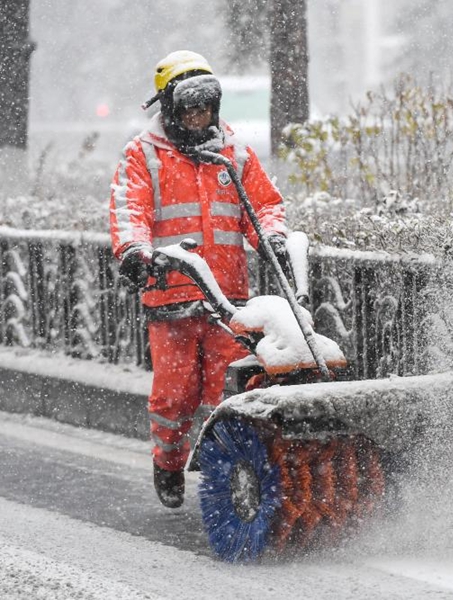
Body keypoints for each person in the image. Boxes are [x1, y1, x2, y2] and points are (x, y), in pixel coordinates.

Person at [108, 50, 292, 508]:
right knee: (175, 395)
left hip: (226, 300)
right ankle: (168, 461)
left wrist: (273, 238)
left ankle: (222, 475)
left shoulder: (234, 154)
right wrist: (134, 250)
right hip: (170, 296)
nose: (198, 115)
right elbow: (129, 211)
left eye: (206, 106)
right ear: (170, 108)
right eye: (189, 107)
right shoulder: (143, 155)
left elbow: (263, 206)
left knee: (225, 391)